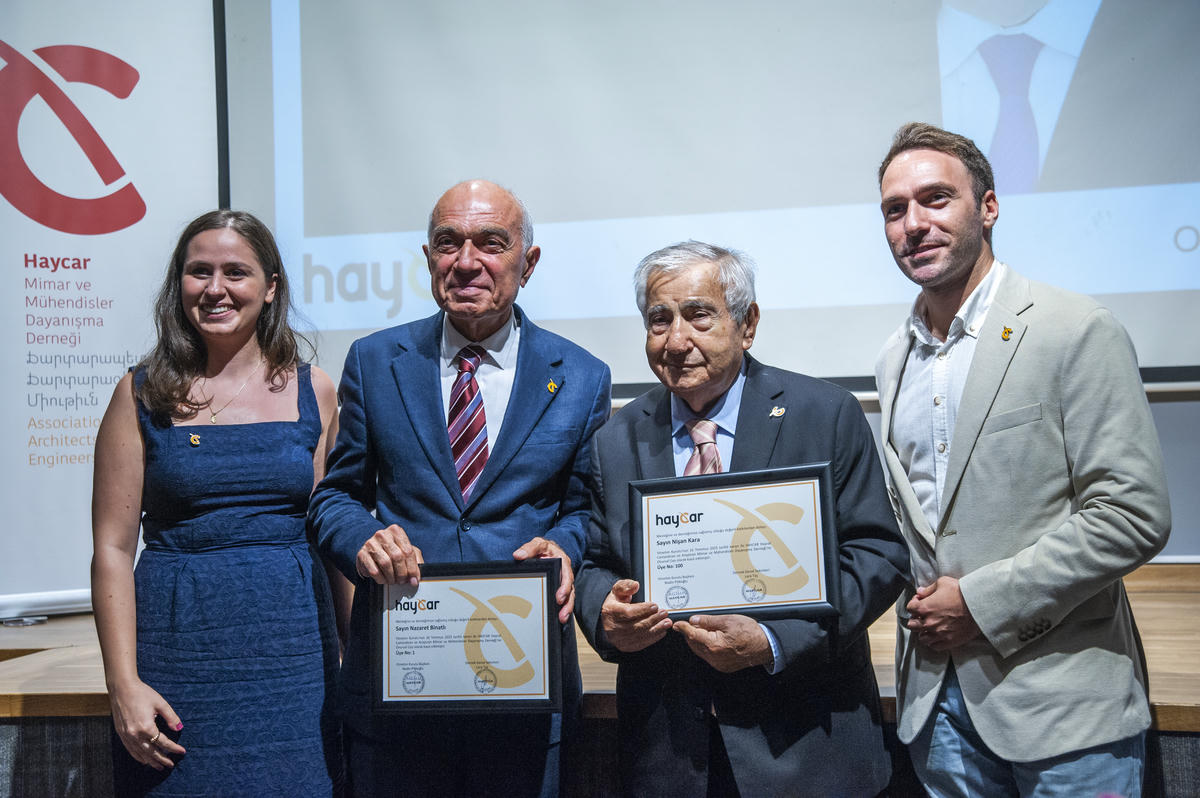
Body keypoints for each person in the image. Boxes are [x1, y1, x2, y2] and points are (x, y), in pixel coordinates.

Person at [874, 122, 1171, 797]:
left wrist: (978, 603)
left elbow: (1133, 513)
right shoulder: (892, 360)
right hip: (936, 709)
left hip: (1063, 712)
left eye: (936, 199)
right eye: (896, 209)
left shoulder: (1072, 328)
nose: (914, 224)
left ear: (988, 206)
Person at [309, 179, 612, 797]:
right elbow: (333, 498)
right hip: (401, 680)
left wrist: (566, 547)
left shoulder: (581, 376)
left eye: (491, 243)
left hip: (525, 684)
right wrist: (364, 539)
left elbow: (587, 509)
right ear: (428, 260)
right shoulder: (375, 362)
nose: (466, 261)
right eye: (448, 243)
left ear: (528, 263)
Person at [574, 241, 909, 796]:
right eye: (659, 320)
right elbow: (593, 564)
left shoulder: (824, 415)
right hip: (670, 757)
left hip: (805, 749)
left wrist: (774, 641)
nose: (676, 340)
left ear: (747, 324)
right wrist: (606, 615)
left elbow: (877, 555)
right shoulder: (616, 439)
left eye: (698, 315)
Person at [91, 210, 345, 795]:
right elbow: (111, 547)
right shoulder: (140, 392)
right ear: (178, 284)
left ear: (271, 286)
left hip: (295, 657)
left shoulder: (317, 389)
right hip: (178, 655)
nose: (215, 289)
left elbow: (330, 534)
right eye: (198, 272)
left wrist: (357, 659)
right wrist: (123, 684)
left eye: (236, 272)